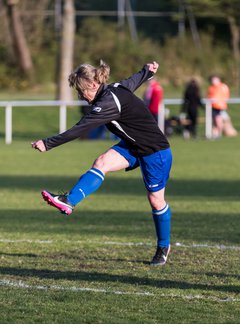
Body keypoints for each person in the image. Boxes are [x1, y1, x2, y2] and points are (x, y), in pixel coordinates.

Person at [31, 60, 172, 266]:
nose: (81, 96)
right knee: (102, 162)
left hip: (155, 151)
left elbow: (79, 129)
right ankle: (69, 201)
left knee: (156, 201)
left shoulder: (106, 104)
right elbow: (134, 80)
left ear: (93, 85)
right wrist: (147, 71)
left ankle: (163, 246)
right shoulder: (115, 88)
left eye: (81, 91)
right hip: (132, 146)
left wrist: (48, 143)